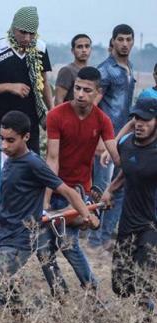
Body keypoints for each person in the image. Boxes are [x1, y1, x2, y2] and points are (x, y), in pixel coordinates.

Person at [0, 111, 97, 308]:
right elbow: (7, 200)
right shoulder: (9, 160)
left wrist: (87, 216)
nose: (4, 145)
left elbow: (68, 191)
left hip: (19, 242)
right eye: (2, 139)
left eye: (11, 140)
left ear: (26, 137)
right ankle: (26, 312)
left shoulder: (33, 164)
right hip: (3, 237)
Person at [42, 66, 120, 293]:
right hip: (54, 188)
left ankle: (92, 289)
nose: (80, 94)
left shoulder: (103, 120)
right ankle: (60, 293)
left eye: (87, 90)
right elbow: (52, 159)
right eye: (77, 88)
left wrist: (112, 189)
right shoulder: (56, 115)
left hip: (78, 192)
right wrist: (45, 201)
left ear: (98, 93)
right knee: (43, 248)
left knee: (68, 243)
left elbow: (117, 157)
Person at [0, 6, 53, 154]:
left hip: (29, 125)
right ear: (13, 27)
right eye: (23, 32)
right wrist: (9, 87)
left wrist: (51, 112)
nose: (27, 38)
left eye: (31, 34)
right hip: (0, 123)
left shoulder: (40, 48)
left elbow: (44, 82)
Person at [101, 97, 157, 311]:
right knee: (120, 285)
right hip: (128, 221)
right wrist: (110, 190)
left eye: (146, 120)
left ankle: (143, 318)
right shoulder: (126, 145)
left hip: (152, 224)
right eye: (136, 119)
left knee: (143, 281)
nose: (139, 124)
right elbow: (128, 170)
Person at [89, 24, 137, 251]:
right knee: (101, 188)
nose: (125, 44)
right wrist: (99, 138)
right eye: (121, 39)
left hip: (123, 138)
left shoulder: (129, 67)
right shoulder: (105, 70)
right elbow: (93, 105)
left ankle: (106, 236)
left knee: (121, 186)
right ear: (113, 41)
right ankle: (94, 240)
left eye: (128, 39)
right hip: (105, 140)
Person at [54, 34, 92, 105]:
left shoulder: (92, 71)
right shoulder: (67, 71)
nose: (84, 50)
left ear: (91, 49)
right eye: (79, 47)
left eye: (87, 46)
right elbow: (58, 100)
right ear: (72, 50)